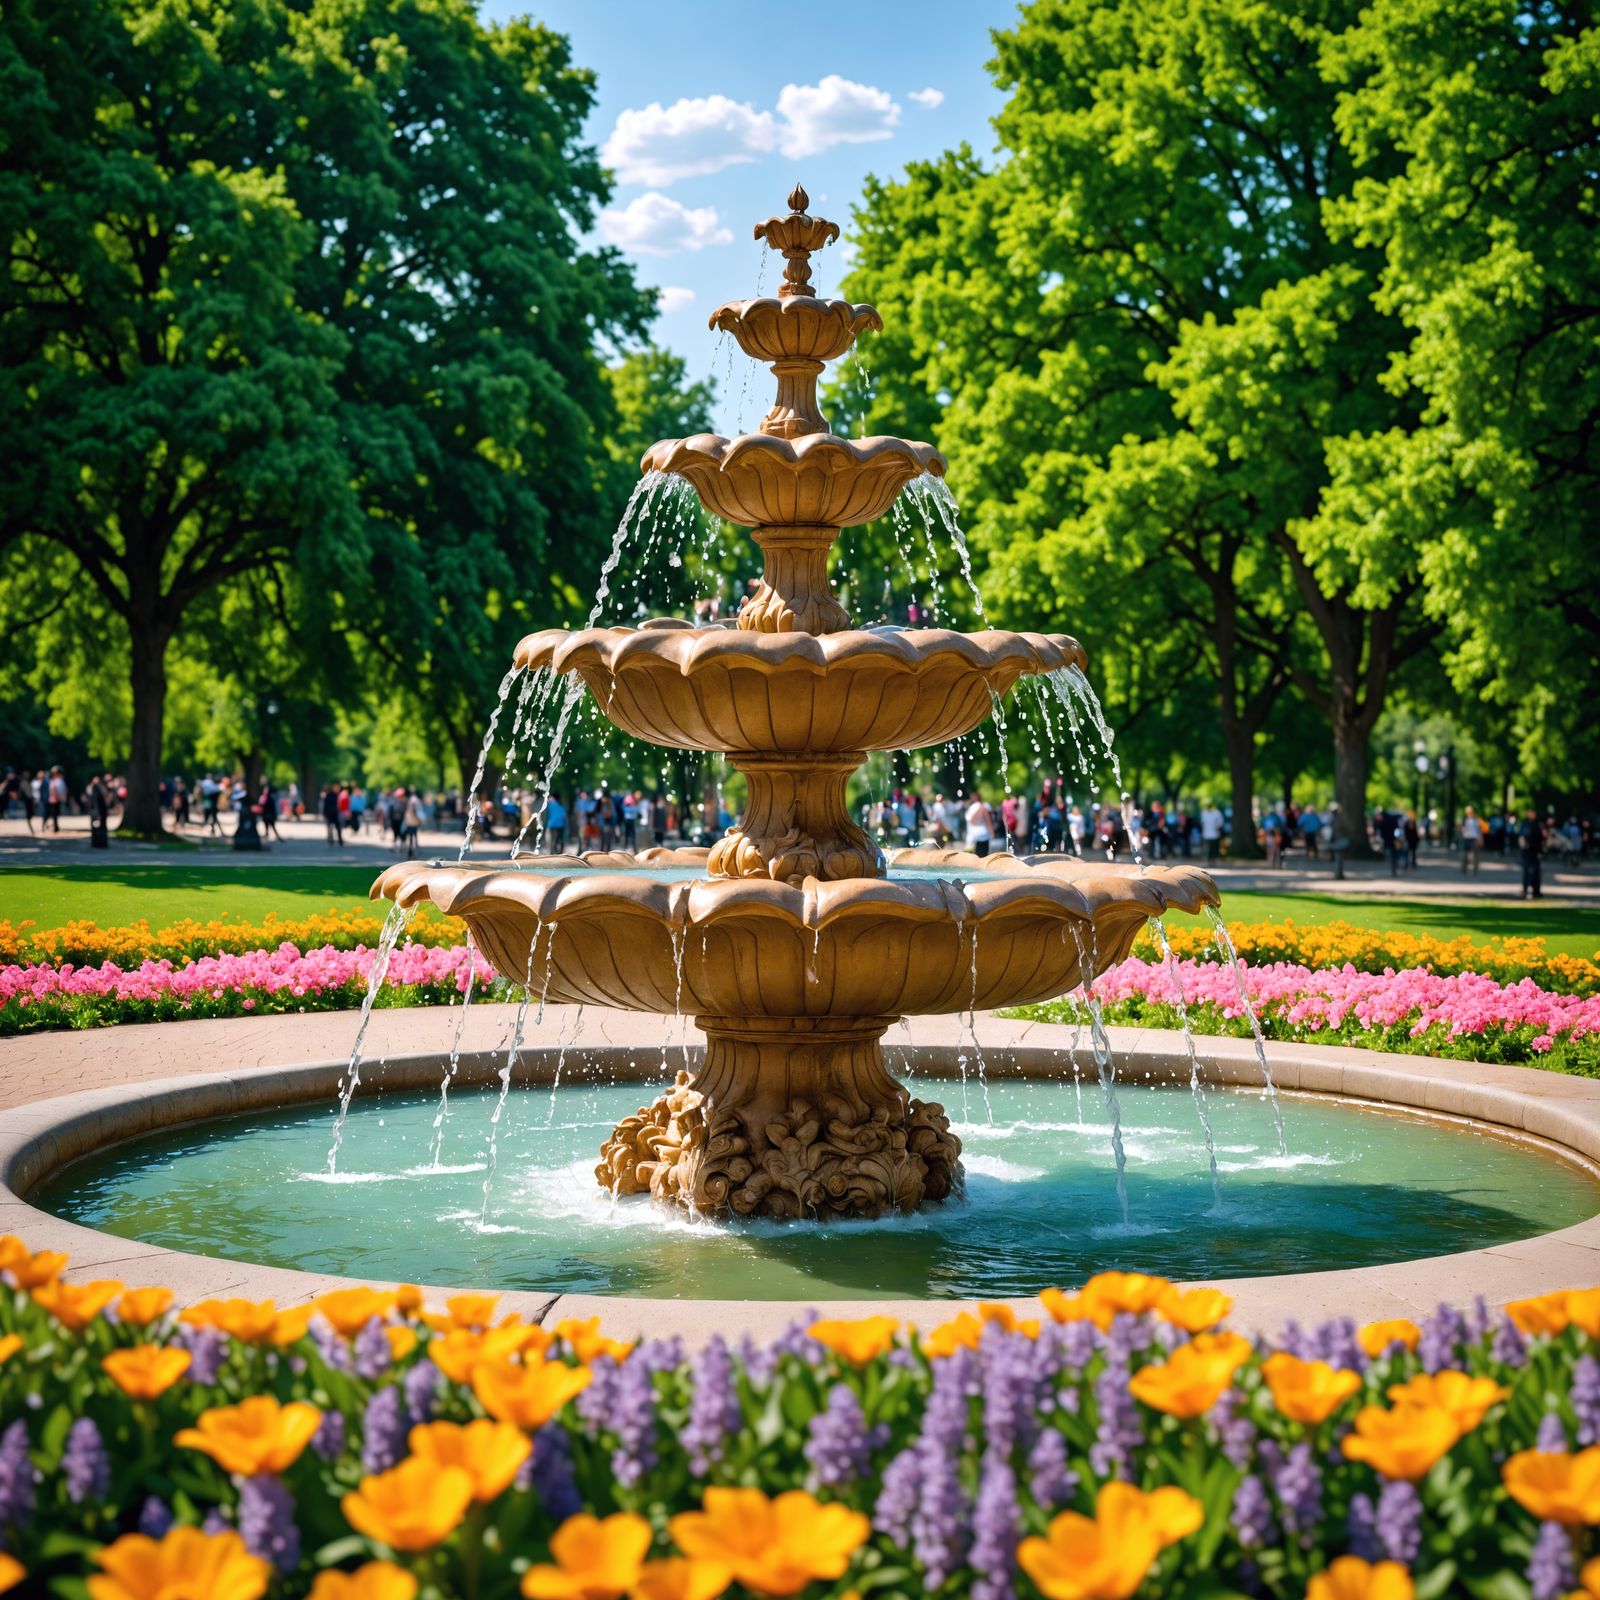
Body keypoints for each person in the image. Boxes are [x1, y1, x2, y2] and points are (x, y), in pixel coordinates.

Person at [1519, 808, 1544, 900]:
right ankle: (1525, 890)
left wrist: (1541, 851)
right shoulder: (1525, 824)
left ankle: (1536, 890)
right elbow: (1521, 836)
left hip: (1535, 851)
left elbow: (1541, 838)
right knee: (1526, 871)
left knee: (1536, 872)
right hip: (1527, 851)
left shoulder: (1538, 824)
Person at [964, 790, 993, 858]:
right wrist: (992, 831)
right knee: (982, 859)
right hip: (982, 836)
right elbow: (987, 820)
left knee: (972, 860)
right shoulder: (981, 806)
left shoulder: (972, 807)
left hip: (971, 836)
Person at [87, 773, 110, 849]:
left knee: (98, 827)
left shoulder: (97, 788)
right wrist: (98, 813)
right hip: (98, 812)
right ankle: (100, 843)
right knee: (100, 828)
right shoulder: (97, 788)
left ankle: (98, 843)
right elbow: (96, 801)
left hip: (98, 811)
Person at [1460, 805, 1483, 874]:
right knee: (1465, 855)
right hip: (1467, 838)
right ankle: (1464, 869)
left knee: (1476, 855)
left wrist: (1480, 837)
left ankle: (1475, 869)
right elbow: (1462, 829)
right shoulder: (1465, 820)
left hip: (1474, 838)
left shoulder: (1476, 820)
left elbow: (1479, 829)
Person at [46, 765, 67, 832]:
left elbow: (61, 791)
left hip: (56, 799)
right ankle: (53, 826)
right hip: (53, 799)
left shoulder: (59, 780)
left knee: (55, 813)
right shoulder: (53, 780)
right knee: (53, 813)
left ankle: (55, 826)